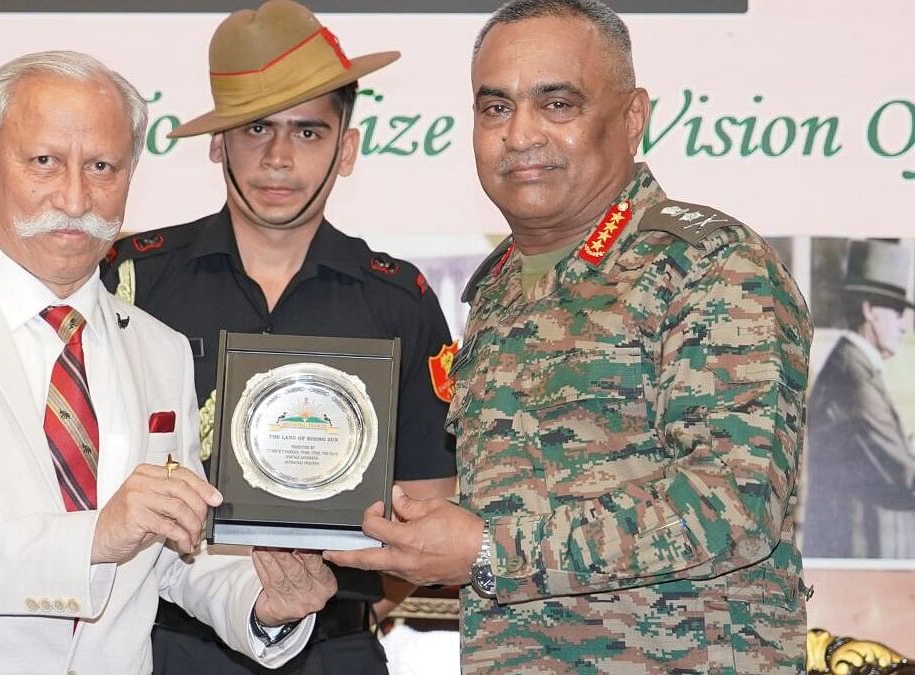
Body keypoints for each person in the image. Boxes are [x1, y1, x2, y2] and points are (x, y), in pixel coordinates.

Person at [0, 51, 336, 675]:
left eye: (102, 166)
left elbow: (169, 553)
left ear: (131, 176)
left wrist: (266, 603)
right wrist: (93, 538)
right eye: (44, 162)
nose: (75, 195)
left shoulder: (158, 348)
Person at [326, 1, 813, 672]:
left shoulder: (708, 265)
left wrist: (490, 548)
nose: (520, 133)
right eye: (495, 108)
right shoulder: (496, 289)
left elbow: (730, 505)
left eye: (557, 104)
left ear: (633, 117)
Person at [102, 2, 457, 673]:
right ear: (217, 142)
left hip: (335, 648)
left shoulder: (397, 300)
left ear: (346, 149)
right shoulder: (132, 281)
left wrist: (339, 599)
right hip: (166, 646)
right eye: (255, 127)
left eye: (308, 132)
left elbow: (429, 507)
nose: (278, 157)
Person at [804, 239, 915, 558]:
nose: (903, 327)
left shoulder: (854, 368)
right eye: (896, 313)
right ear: (869, 310)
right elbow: (903, 475)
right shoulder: (852, 378)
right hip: (857, 554)